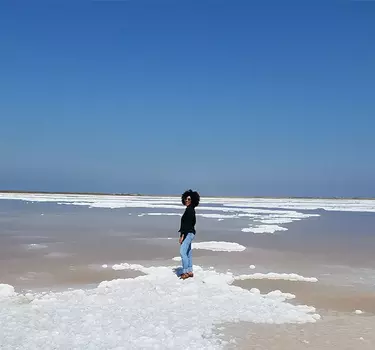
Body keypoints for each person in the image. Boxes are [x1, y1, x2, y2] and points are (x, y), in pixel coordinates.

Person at [178, 189, 200, 280]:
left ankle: (185, 272)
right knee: (188, 252)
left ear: (193, 200)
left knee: (182, 252)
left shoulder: (190, 210)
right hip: (190, 233)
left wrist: (182, 236)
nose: (187, 201)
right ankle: (190, 271)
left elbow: (187, 225)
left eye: (189, 199)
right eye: (186, 199)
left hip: (188, 233)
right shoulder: (190, 209)